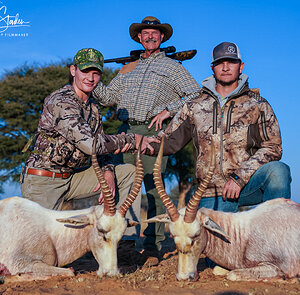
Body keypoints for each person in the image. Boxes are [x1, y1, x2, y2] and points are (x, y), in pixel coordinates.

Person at [92, 16, 201, 263]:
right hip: (124, 132)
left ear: (162, 37)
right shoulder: (128, 67)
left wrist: (168, 111)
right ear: (139, 38)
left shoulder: (173, 67)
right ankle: (125, 244)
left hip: (152, 134)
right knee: (123, 188)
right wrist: (93, 78)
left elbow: (196, 94)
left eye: (155, 33)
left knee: (154, 187)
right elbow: (108, 97)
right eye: (145, 33)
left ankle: (153, 247)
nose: (150, 36)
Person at [20, 48, 156, 245]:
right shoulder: (61, 101)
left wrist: (108, 172)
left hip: (71, 178)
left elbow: (103, 151)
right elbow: (91, 145)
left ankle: (121, 241)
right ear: (73, 70)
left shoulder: (93, 108)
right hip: (43, 181)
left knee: (128, 172)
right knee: (44, 250)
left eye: (96, 73)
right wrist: (131, 139)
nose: (91, 78)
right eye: (85, 71)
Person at [146, 41, 291, 215]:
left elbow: (273, 147)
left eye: (231, 62)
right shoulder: (194, 105)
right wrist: (133, 141)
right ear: (212, 68)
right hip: (211, 191)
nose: (226, 67)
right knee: (219, 240)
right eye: (220, 63)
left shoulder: (258, 104)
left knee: (278, 171)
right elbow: (167, 142)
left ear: (241, 66)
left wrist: (239, 178)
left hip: (246, 184)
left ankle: (275, 235)